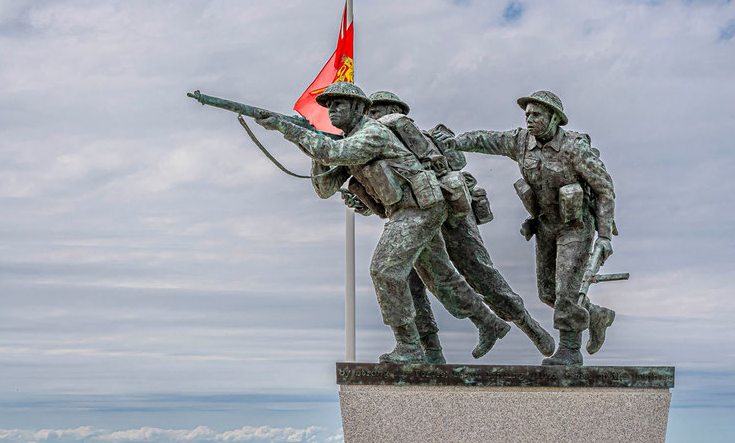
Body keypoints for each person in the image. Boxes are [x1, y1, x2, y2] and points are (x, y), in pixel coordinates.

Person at [254, 81, 510, 364]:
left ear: (358, 108)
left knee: (384, 270)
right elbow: (324, 188)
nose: (331, 110)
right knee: (441, 279)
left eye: (338, 104)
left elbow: (335, 154)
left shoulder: (372, 132)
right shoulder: (348, 141)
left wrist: (287, 129)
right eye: (328, 106)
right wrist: (311, 141)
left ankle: (409, 347)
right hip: (407, 211)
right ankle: (490, 323)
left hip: (419, 209)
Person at [346, 91, 555, 362]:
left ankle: (529, 326)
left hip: (453, 216)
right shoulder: (372, 147)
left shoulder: (416, 137)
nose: (371, 117)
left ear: (395, 110)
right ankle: (431, 352)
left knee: (480, 272)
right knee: (409, 282)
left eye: (376, 111)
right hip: (418, 221)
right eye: (369, 113)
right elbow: (386, 197)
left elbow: (439, 175)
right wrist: (360, 200)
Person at [435, 90, 616, 366]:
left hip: (575, 226)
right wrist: (457, 143)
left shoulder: (574, 148)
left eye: (537, 114)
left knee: (567, 289)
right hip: (545, 224)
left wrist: (603, 236)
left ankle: (570, 350)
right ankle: (595, 316)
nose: (530, 119)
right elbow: (488, 140)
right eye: (527, 114)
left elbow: (604, 189)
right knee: (548, 293)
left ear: (555, 118)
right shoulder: (521, 141)